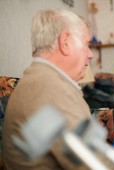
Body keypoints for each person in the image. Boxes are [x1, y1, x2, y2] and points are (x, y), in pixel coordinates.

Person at [2, 9, 94, 169]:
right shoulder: (52, 91)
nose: (90, 54)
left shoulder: (39, 79)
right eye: (87, 44)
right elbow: (92, 164)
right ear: (65, 42)